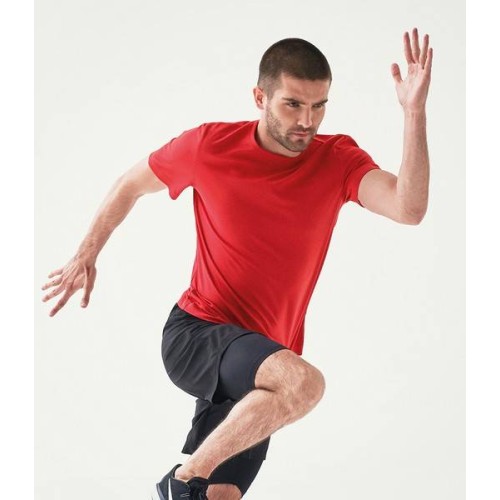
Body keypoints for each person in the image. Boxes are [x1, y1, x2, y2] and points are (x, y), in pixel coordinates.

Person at [42, 29, 432, 500]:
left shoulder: (337, 160)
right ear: (260, 97)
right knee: (304, 385)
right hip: (198, 333)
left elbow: (408, 208)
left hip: (263, 360)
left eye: (319, 106)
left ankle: (189, 486)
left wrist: (413, 113)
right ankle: (179, 482)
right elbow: (131, 183)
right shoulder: (209, 147)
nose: (307, 121)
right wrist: (86, 253)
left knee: (220, 495)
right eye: (293, 104)